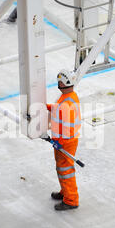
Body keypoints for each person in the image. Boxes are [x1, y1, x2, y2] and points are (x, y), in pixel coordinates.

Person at [46, 69, 82, 211]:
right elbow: (58, 110)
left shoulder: (66, 102)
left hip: (65, 142)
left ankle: (71, 200)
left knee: (66, 170)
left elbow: (66, 127)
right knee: (62, 169)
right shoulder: (69, 96)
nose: (58, 83)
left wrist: (58, 142)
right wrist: (47, 107)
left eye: (60, 81)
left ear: (65, 82)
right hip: (65, 140)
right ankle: (65, 192)